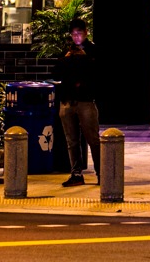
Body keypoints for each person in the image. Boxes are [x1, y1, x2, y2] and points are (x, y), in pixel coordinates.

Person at [52, 17, 101, 187]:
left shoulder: (93, 51)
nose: (76, 37)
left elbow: (96, 74)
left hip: (85, 101)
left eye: (79, 33)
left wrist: (83, 59)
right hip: (67, 100)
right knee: (71, 140)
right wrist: (67, 59)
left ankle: (101, 172)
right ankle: (76, 173)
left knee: (92, 139)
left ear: (86, 33)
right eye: (73, 34)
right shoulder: (67, 52)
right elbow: (56, 73)